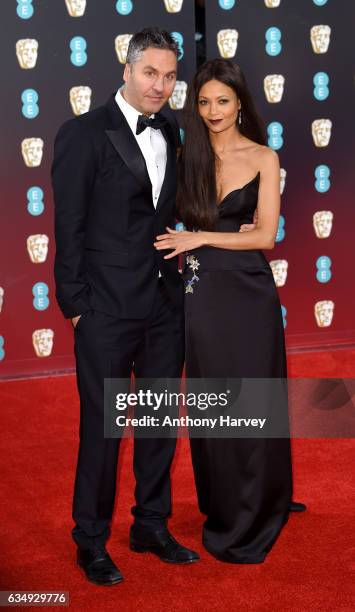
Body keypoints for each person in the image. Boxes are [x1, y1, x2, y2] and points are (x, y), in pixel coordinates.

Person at [51, 28, 199, 586]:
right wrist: (77, 307)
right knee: (104, 430)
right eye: (150, 73)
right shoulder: (83, 134)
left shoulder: (174, 130)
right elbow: (68, 226)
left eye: (169, 76)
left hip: (164, 303)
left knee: (160, 423)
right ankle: (90, 538)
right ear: (127, 69)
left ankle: (151, 525)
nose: (160, 86)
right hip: (105, 311)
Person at [154, 58, 304, 564]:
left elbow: (265, 237)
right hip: (202, 297)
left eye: (222, 100)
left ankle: (262, 504)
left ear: (240, 101)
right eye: (203, 101)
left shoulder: (264, 156)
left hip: (249, 293)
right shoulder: (184, 155)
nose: (213, 110)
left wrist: (200, 236)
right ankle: (225, 505)